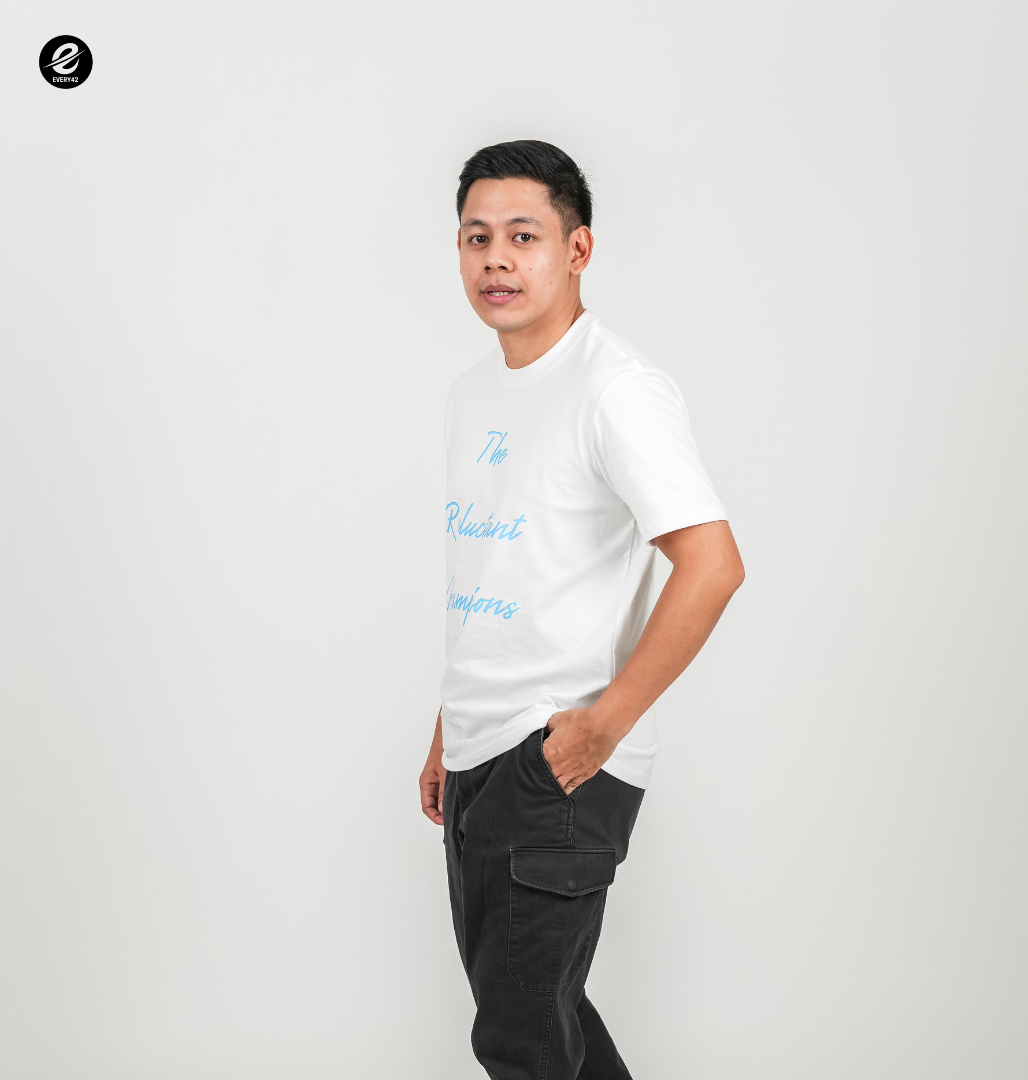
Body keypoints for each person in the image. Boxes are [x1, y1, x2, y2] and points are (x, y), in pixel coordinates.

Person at [418, 139, 744, 1080]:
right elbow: (496, 573)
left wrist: (602, 727)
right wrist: (448, 729)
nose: (496, 259)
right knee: (541, 1022)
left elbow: (712, 566)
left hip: (555, 761)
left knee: (522, 1041)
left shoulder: (616, 389)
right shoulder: (473, 392)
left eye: (523, 236)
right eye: (477, 237)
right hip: (482, 751)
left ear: (577, 249)